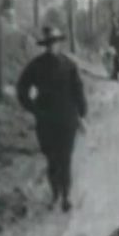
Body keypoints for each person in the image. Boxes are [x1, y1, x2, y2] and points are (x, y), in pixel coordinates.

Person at [17, 26, 87, 212]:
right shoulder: (36, 66)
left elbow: (78, 91)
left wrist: (82, 114)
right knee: (52, 160)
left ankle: (66, 197)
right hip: (46, 120)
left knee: (65, 159)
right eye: (48, 44)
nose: (51, 47)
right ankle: (55, 194)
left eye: (54, 43)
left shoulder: (69, 65)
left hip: (67, 119)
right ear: (44, 46)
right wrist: (33, 108)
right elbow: (22, 88)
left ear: (59, 43)